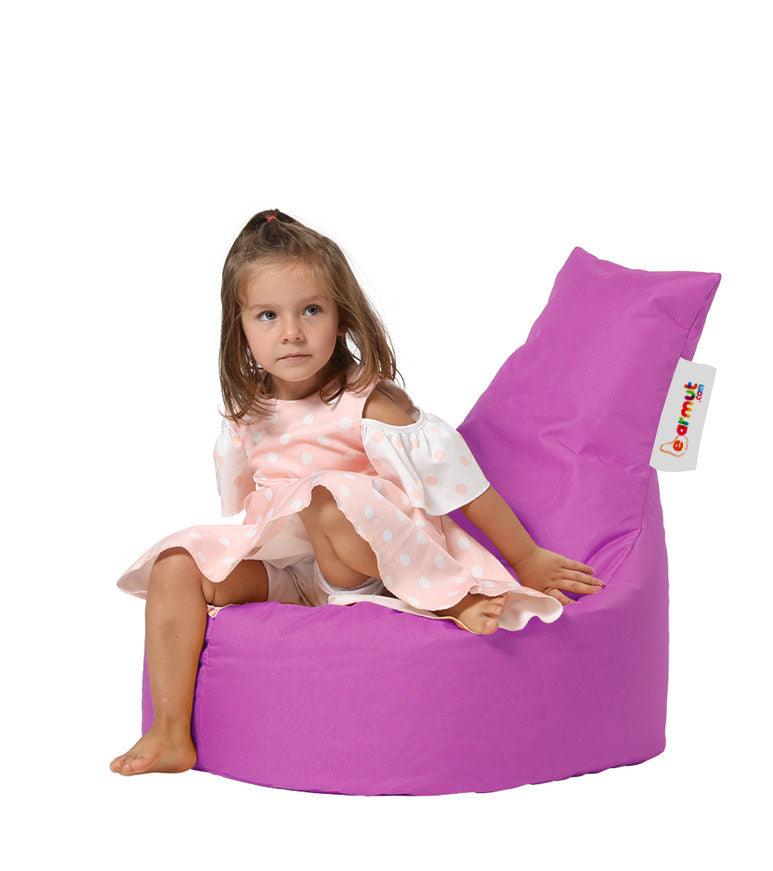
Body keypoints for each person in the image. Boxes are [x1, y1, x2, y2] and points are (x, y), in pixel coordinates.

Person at [110, 208, 605, 776]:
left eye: (311, 311)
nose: (291, 332)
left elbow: (459, 485)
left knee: (323, 497)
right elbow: (247, 509)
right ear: (240, 331)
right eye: (268, 315)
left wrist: (527, 556)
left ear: (342, 318)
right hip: (296, 574)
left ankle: (448, 599)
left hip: (373, 563)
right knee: (176, 563)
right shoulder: (249, 413)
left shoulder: (369, 401)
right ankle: (170, 731)